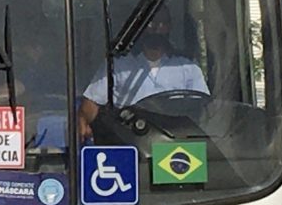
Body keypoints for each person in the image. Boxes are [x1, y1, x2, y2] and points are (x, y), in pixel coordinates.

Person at [77, 8, 208, 141]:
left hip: (179, 142)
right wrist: (84, 122)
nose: (157, 28)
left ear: (169, 27)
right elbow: (91, 103)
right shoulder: (118, 64)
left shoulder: (187, 65)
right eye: (151, 23)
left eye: (163, 23)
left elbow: (203, 106)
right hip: (131, 141)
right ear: (142, 27)